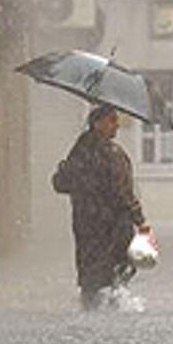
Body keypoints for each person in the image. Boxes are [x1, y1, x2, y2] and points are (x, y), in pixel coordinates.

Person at [52, 105, 152, 309]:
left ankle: (91, 304)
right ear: (97, 124)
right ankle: (115, 304)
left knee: (90, 268)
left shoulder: (79, 150)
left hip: (85, 222)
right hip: (112, 223)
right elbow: (122, 192)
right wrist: (140, 220)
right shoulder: (110, 153)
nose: (116, 125)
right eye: (112, 120)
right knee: (119, 267)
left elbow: (63, 183)